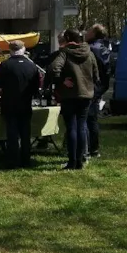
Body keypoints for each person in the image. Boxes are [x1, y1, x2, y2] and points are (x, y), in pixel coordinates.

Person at [48, 29, 99, 170]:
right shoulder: (89, 52)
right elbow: (96, 75)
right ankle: (81, 160)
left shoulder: (65, 52)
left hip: (69, 95)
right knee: (82, 126)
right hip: (86, 94)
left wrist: (61, 80)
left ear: (68, 38)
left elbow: (53, 68)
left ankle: (72, 161)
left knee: (72, 127)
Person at [0, 41, 40, 169]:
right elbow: (36, 86)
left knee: (12, 134)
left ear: (10, 50)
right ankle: (26, 160)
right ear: (23, 49)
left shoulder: (5, 65)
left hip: (9, 104)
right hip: (26, 104)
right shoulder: (32, 66)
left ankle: (13, 161)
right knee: (25, 133)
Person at [85, 23, 112, 159]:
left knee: (87, 119)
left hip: (92, 87)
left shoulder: (91, 49)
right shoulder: (104, 47)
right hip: (100, 86)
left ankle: (87, 149)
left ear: (94, 33)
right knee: (93, 119)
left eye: (89, 30)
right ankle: (94, 149)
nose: (86, 33)